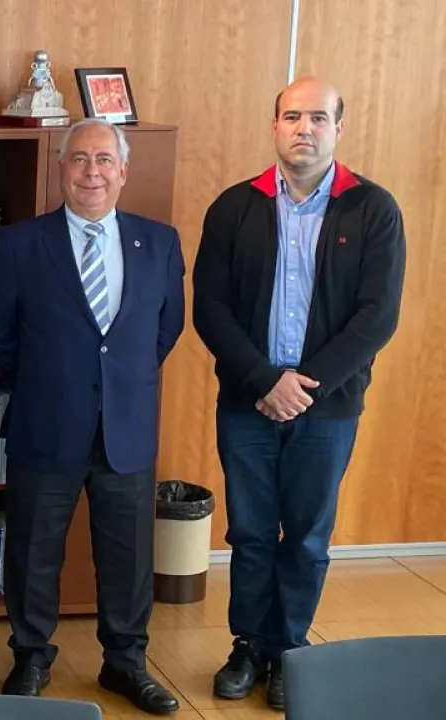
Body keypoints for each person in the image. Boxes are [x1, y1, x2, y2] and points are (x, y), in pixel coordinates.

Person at [193, 76, 406, 711]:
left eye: (317, 117)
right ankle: (248, 646)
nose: (303, 129)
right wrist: (266, 380)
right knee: (251, 532)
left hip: (326, 406)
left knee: (308, 535)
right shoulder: (235, 207)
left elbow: (377, 317)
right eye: (292, 116)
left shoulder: (373, 208)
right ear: (275, 126)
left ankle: (289, 649)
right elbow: (211, 309)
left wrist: (303, 387)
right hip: (248, 402)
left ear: (338, 128)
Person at [0, 118, 184, 716]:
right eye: (80, 160)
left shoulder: (159, 242)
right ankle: (31, 657)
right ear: (61, 168)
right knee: (34, 549)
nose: (92, 172)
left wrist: (119, 381)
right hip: (47, 421)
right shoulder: (21, 243)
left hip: (126, 426)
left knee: (128, 555)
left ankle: (125, 662)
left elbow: (165, 328)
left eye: (104, 160)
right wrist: (46, 379)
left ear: (123, 170)